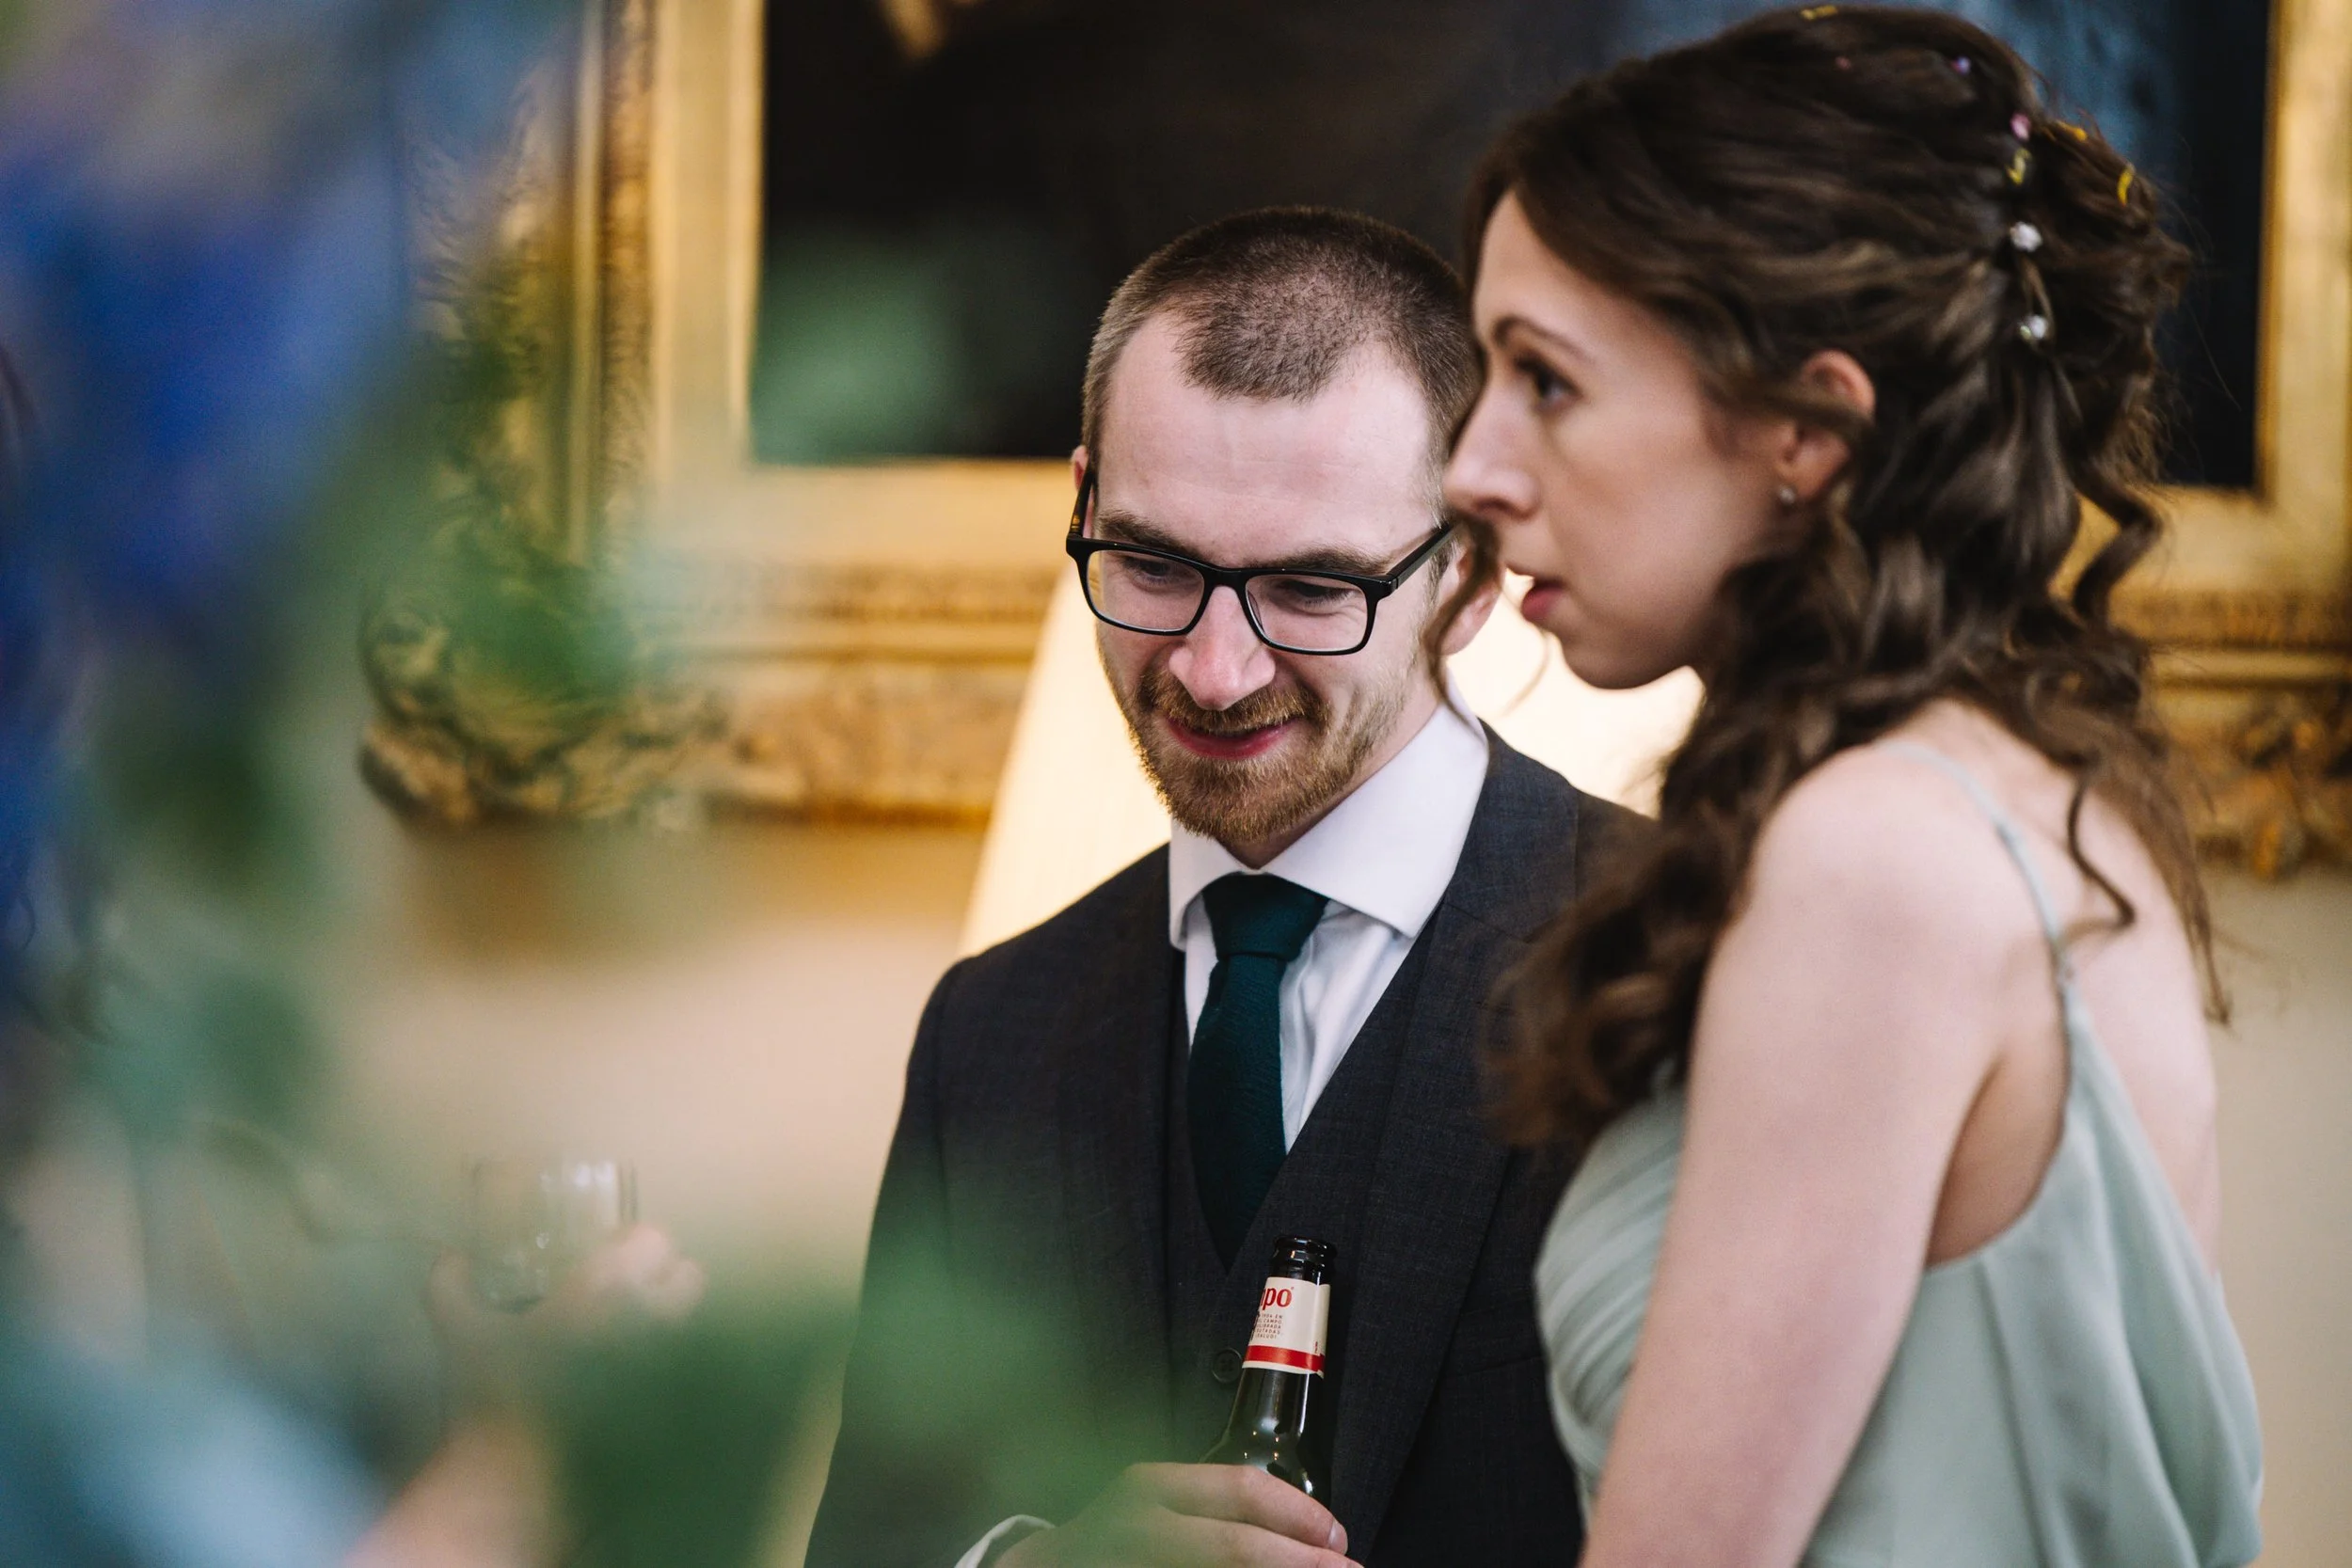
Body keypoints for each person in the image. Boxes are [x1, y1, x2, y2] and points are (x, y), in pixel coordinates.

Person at [1440, 8, 2265, 1567]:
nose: (1470, 466)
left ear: (1805, 432)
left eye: (1542, 379)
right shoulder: (2028, 799)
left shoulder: (1872, 852)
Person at [807, 208, 1636, 1568]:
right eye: (1152, 564)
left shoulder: (1690, 959)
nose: (1214, 670)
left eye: (1311, 587)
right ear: (1084, 504)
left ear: (1475, 569)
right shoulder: (991, 1027)